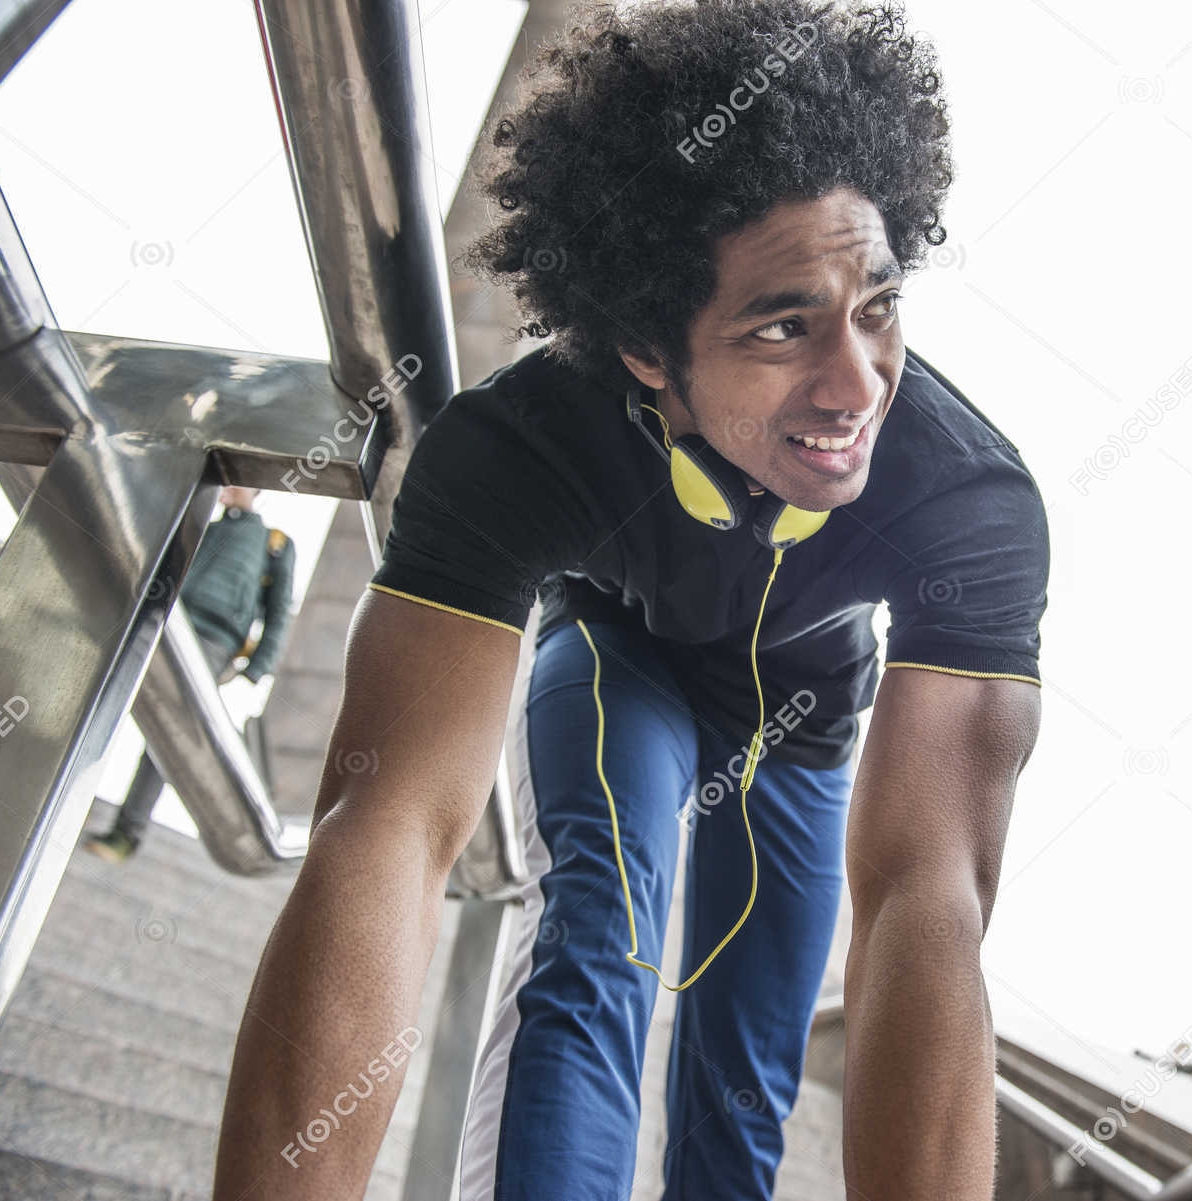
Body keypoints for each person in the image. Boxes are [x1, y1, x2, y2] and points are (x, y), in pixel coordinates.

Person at [212, 2, 1048, 1199]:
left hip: (803, 725)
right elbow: (389, 826)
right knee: (600, 940)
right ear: (649, 348)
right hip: (622, 660)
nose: (857, 382)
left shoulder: (967, 496)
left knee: (750, 1057)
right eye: (782, 326)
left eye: (876, 307)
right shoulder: (521, 446)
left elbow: (930, 894)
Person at [84, 485, 295, 862]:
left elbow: (278, 613)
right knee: (105, 703)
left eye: (239, 482)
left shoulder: (274, 543)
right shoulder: (204, 527)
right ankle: (69, 792)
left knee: (168, 735)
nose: (230, 486)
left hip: (213, 643)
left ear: (257, 489)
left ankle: (127, 833)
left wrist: (256, 667)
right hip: (163, 622)